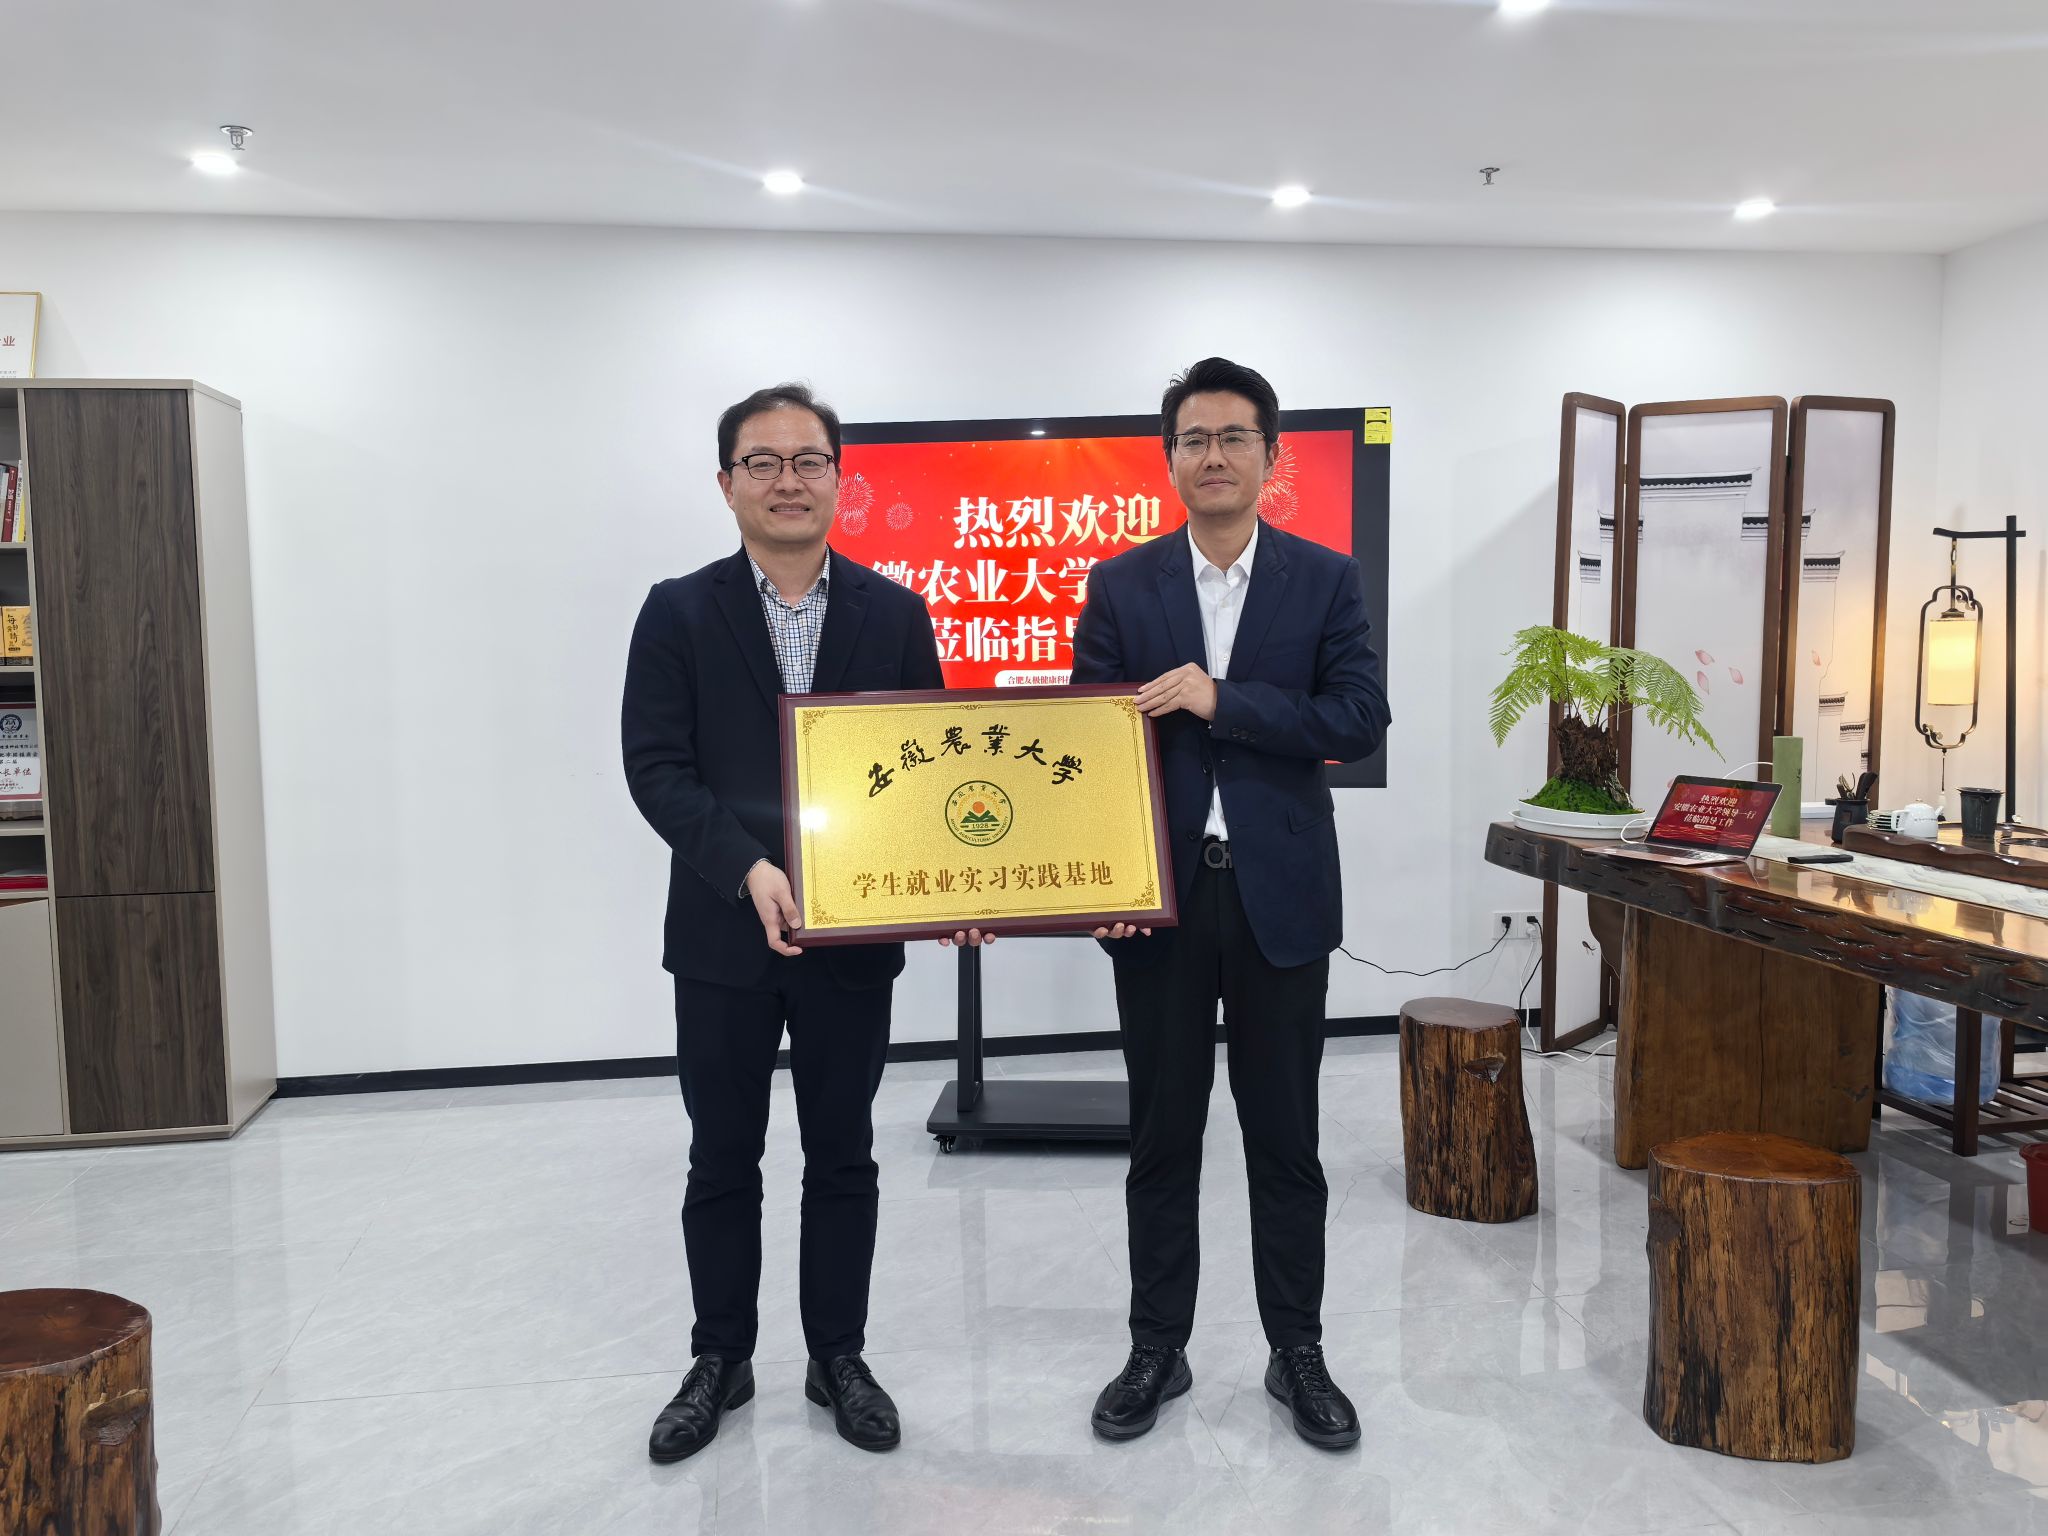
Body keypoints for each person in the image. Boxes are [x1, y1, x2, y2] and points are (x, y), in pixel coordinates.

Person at [622, 382, 990, 1462]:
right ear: (727, 481)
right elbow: (656, 767)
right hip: (721, 937)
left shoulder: (895, 613)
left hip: (853, 942)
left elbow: (927, 775)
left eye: (808, 461)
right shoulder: (677, 611)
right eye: (763, 462)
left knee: (843, 1156)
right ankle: (719, 1359)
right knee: (721, 1158)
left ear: (840, 478)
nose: (788, 481)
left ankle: (839, 1357)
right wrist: (745, 868)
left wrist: (952, 888)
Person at [1070, 357, 1391, 1449]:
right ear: (1170, 459)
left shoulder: (1325, 579)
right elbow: (1088, 747)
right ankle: (1155, 1348)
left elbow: (1357, 718)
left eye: (1233, 438)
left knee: (1284, 1141)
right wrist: (1106, 880)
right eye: (1193, 439)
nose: (1212, 456)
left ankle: (1295, 1351)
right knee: (1162, 1138)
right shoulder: (1122, 585)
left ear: (1269, 456)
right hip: (1157, 905)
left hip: (1278, 902)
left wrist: (1224, 701)